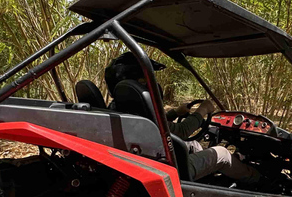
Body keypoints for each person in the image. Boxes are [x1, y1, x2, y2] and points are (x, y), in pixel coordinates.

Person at [104, 53, 261, 185]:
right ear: (136, 83)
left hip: (148, 161)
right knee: (222, 154)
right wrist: (203, 110)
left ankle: (210, 180)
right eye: (146, 80)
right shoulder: (136, 112)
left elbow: (155, 122)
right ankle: (258, 180)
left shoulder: (119, 108)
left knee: (193, 145)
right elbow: (182, 131)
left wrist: (175, 113)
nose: (152, 84)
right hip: (167, 170)